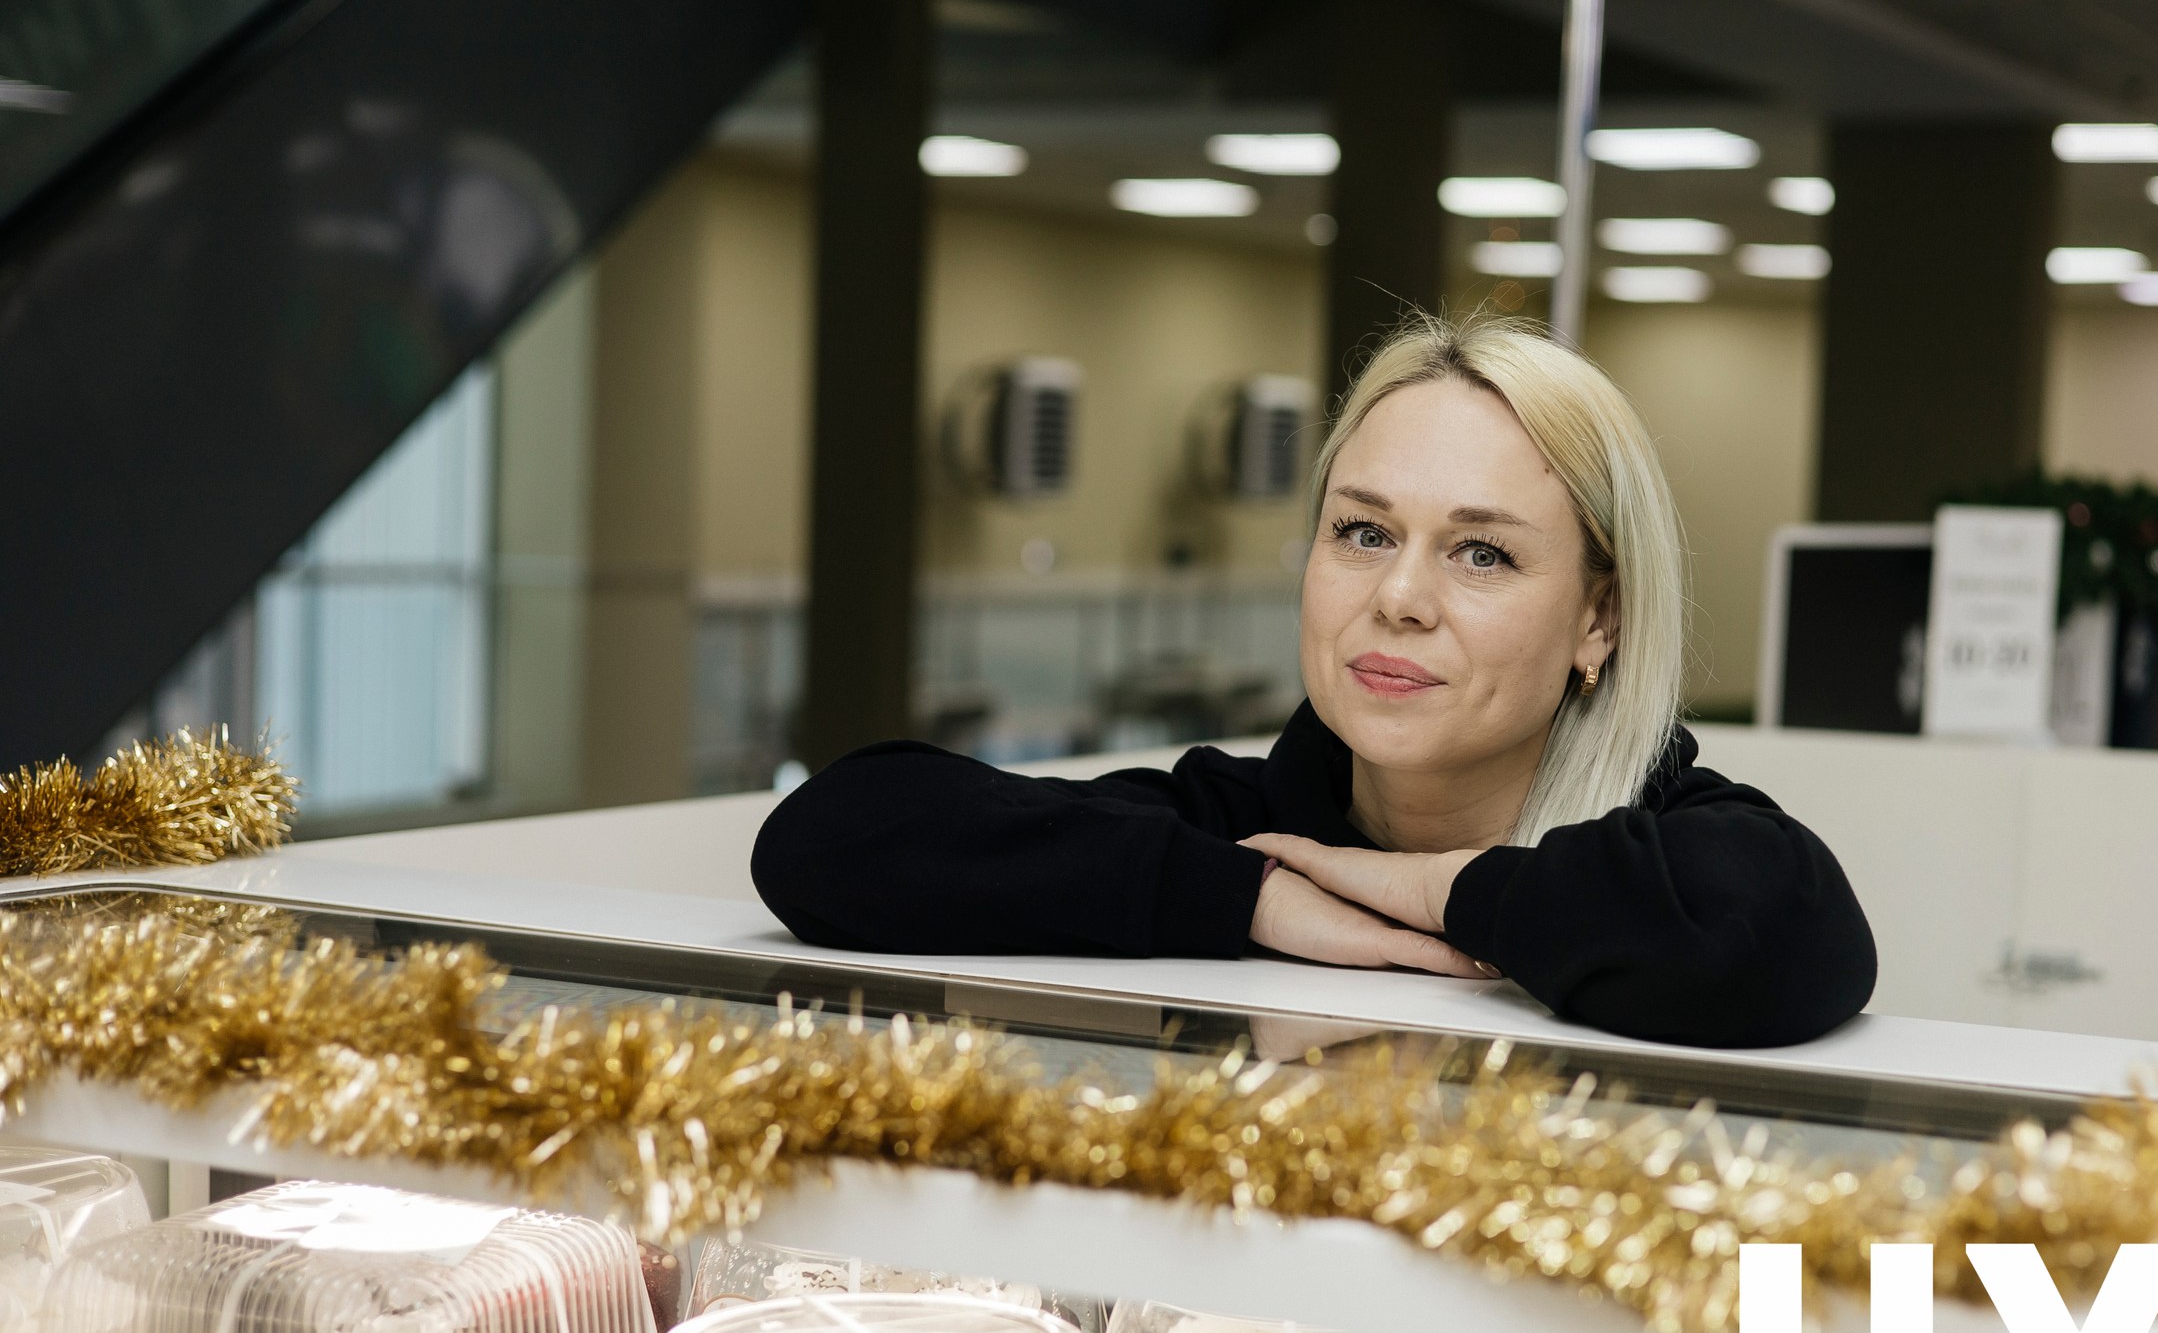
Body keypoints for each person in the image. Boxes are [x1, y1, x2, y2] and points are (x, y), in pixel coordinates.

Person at [753, 314, 1876, 1049]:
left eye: (1482, 552)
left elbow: (1777, 934)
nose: (1400, 597)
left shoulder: (1677, 849)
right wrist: (1248, 896)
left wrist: (1436, 892)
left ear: (1600, 617)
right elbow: (834, 835)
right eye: (1362, 532)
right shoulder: (1243, 825)